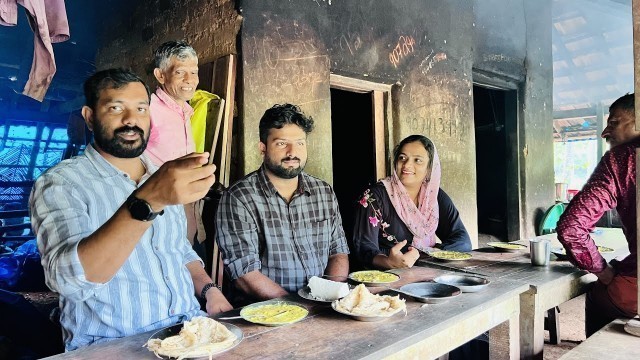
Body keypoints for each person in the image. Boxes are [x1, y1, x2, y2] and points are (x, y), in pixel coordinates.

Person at [29, 68, 232, 351]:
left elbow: (178, 250)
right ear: (89, 117)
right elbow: (67, 281)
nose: (131, 120)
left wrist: (210, 290)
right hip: (112, 346)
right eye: (115, 108)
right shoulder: (61, 184)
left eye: (141, 109)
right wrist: (147, 203)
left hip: (188, 335)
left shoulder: (161, 175)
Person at [215, 103, 350, 306]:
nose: (292, 152)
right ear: (263, 148)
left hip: (323, 308)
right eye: (281, 143)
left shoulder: (324, 192)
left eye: (300, 143)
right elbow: (245, 273)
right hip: (266, 314)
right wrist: (296, 308)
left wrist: (330, 296)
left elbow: (338, 251)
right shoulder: (239, 197)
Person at [557, 92, 638, 337]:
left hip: (634, 291)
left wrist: (604, 272)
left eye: (614, 123)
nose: (604, 132)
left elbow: (571, 228)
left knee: (597, 297)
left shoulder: (622, 160)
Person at [351, 134, 471, 270]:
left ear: (429, 169)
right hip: (385, 278)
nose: (407, 165)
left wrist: (428, 254)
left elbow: (462, 240)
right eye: (402, 158)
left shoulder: (433, 195)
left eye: (417, 160)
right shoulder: (374, 197)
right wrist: (388, 262)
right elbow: (363, 248)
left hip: (428, 273)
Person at [144, 40, 202, 245]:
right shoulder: (148, 110)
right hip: (158, 221)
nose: (190, 80)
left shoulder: (185, 111)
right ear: (160, 75)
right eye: (180, 72)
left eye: (194, 72)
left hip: (186, 218)